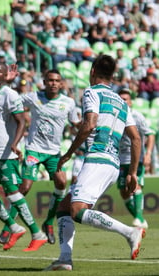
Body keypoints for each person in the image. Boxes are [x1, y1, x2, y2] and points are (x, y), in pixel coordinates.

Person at [45, 55, 144, 271]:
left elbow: (89, 124)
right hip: (113, 163)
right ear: (111, 75)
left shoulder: (91, 92)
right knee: (64, 208)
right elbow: (136, 138)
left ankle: (130, 232)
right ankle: (64, 259)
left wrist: (69, 153)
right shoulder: (121, 102)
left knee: (77, 211)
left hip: (97, 158)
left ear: (92, 72)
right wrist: (133, 172)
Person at [0, 69, 80, 248]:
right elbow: (13, 100)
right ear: (44, 81)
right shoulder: (34, 97)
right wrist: (10, 83)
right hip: (34, 150)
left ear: (61, 83)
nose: (53, 83)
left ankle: (48, 222)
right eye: (50, 80)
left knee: (61, 183)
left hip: (54, 153)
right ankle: (9, 226)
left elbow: (76, 123)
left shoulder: (68, 103)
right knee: (25, 187)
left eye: (57, 80)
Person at [0, 62, 46, 252]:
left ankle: (36, 233)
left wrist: (15, 144)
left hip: (5, 153)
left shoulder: (9, 94)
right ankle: (14, 227)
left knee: (14, 194)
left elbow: (22, 121)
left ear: (5, 75)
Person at [117, 89, 155, 229]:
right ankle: (140, 219)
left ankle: (138, 218)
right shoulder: (114, 116)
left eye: (125, 99)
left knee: (136, 185)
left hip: (136, 158)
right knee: (123, 191)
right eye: (120, 99)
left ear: (130, 102)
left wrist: (148, 154)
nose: (123, 101)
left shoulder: (137, 116)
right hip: (120, 159)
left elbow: (150, 134)